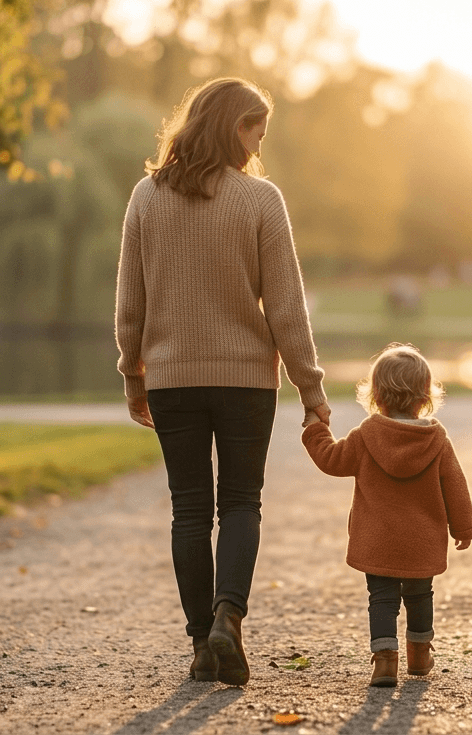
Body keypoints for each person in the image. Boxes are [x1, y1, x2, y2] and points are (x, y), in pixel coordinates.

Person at [114, 77, 332, 687]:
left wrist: (133, 372)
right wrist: (313, 393)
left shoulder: (145, 197)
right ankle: (227, 619)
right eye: (255, 129)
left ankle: (200, 646)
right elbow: (286, 309)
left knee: (189, 508)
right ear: (234, 124)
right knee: (240, 502)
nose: (258, 143)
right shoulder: (262, 200)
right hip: (245, 383)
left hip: (172, 380)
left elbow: (132, 302)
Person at [300, 343, 472, 688]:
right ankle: (420, 652)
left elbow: (331, 460)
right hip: (421, 541)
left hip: (377, 540)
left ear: (376, 394)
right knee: (419, 595)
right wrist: (464, 527)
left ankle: (384, 662)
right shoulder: (436, 439)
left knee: (381, 599)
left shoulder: (367, 435)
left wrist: (315, 429)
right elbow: (455, 485)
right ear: (424, 395)